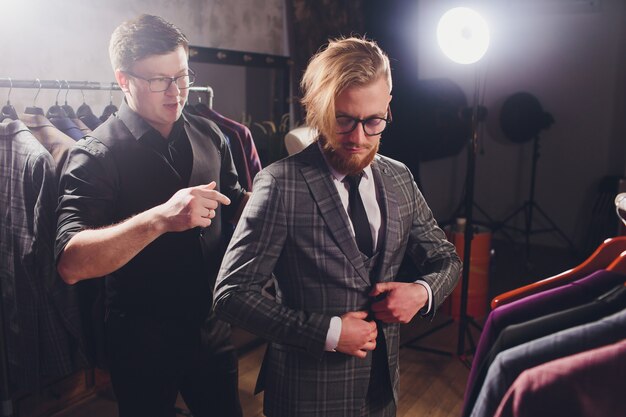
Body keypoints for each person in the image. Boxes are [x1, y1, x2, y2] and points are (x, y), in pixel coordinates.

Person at [213, 36, 462, 417]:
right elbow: (231, 295)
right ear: (317, 108)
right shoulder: (280, 184)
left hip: (382, 393)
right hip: (305, 396)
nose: (359, 138)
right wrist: (327, 333)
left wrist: (422, 292)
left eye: (373, 121)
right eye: (343, 120)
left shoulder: (399, 177)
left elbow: (446, 258)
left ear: (388, 106)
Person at [55, 14, 246, 417]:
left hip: (211, 329)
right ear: (124, 80)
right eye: (160, 80)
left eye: (182, 75)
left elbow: (235, 207)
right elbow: (71, 262)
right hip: (141, 341)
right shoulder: (93, 154)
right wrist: (161, 218)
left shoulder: (212, 135)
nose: (176, 92)